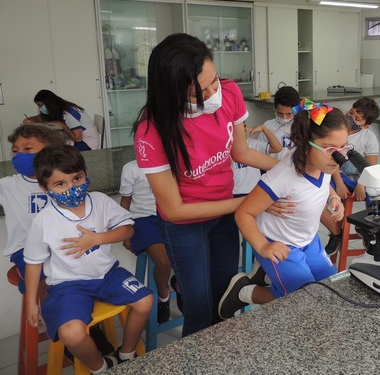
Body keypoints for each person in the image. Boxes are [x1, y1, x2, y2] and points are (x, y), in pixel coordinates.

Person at [133, 33, 278, 336]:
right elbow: (174, 211)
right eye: (201, 90)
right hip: (185, 224)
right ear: (173, 92)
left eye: (214, 80)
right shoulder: (152, 129)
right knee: (199, 308)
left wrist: (289, 172)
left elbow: (242, 152)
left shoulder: (230, 92)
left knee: (225, 298)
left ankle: (224, 353)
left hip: (223, 214)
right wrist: (249, 202)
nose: (214, 93)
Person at [23, 146, 152, 373]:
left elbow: (127, 230)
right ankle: (101, 367)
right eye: (60, 184)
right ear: (45, 188)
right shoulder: (43, 221)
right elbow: (33, 262)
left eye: (77, 178)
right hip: (68, 285)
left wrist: (97, 239)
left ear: (86, 173)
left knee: (145, 301)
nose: (72, 188)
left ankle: (127, 354)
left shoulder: (100, 200)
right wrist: (31, 301)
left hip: (108, 274)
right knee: (71, 334)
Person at [218, 100, 347, 319]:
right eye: (331, 149)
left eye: (344, 147)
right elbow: (244, 213)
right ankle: (244, 292)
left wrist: (334, 196)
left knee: (331, 289)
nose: (339, 157)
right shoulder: (283, 176)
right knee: (304, 299)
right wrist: (263, 247)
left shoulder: (324, 164)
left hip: (308, 241)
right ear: (306, 144)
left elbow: (323, 184)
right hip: (282, 245)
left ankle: (269, 275)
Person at [1, 125, 65, 293]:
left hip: (58, 244)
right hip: (24, 248)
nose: (19, 155)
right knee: (42, 277)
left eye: (28, 149)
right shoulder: (8, 185)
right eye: (15, 150)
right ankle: (40, 308)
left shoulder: (63, 181)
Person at [323, 96, 380, 255]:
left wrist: (361, 185)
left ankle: (368, 228)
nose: (351, 118)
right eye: (351, 113)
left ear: (366, 125)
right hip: (336, 174)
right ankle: (335, 232)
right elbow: (332, 159)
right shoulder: (337, 130)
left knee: (376, 193)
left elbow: (370, 168)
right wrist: (339, 184)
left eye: (357, 119)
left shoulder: (368, 137)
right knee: (319, 192)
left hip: (359, 177)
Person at [119, 160, 173, 323]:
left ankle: (180, 285)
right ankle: (164, 296)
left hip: (171, 215)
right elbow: (125, 201)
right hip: (143, 219)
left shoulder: (173, 161)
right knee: (164, 261)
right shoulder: (130, 168)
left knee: (193, 251)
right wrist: (124, 231)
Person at [23, 89, 100, 151]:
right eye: (38, 106)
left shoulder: (68, 113)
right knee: (49, 146)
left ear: (49, 103)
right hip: (76, 139)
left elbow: (78, 138)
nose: (40, 108)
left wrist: (62, 125)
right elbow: (37, 118)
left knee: (54, 152)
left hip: (87, 142)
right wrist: (27, 120)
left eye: (41, 105)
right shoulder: (55, 110)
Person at [232, 124, 283, 196]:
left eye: (243, 126)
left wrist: (264, 129)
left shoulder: (252, 143)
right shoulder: (224, 147)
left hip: (255, 191)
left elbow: (277, 148)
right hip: (234, 192)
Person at [256, 85, 300, 159]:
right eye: (280, 113)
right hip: (272, 165)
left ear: (297, 110)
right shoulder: (267, 126)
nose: (284, 118)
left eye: (289, 114)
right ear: (275, 109)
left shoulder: (301, 126)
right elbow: (260, 151)